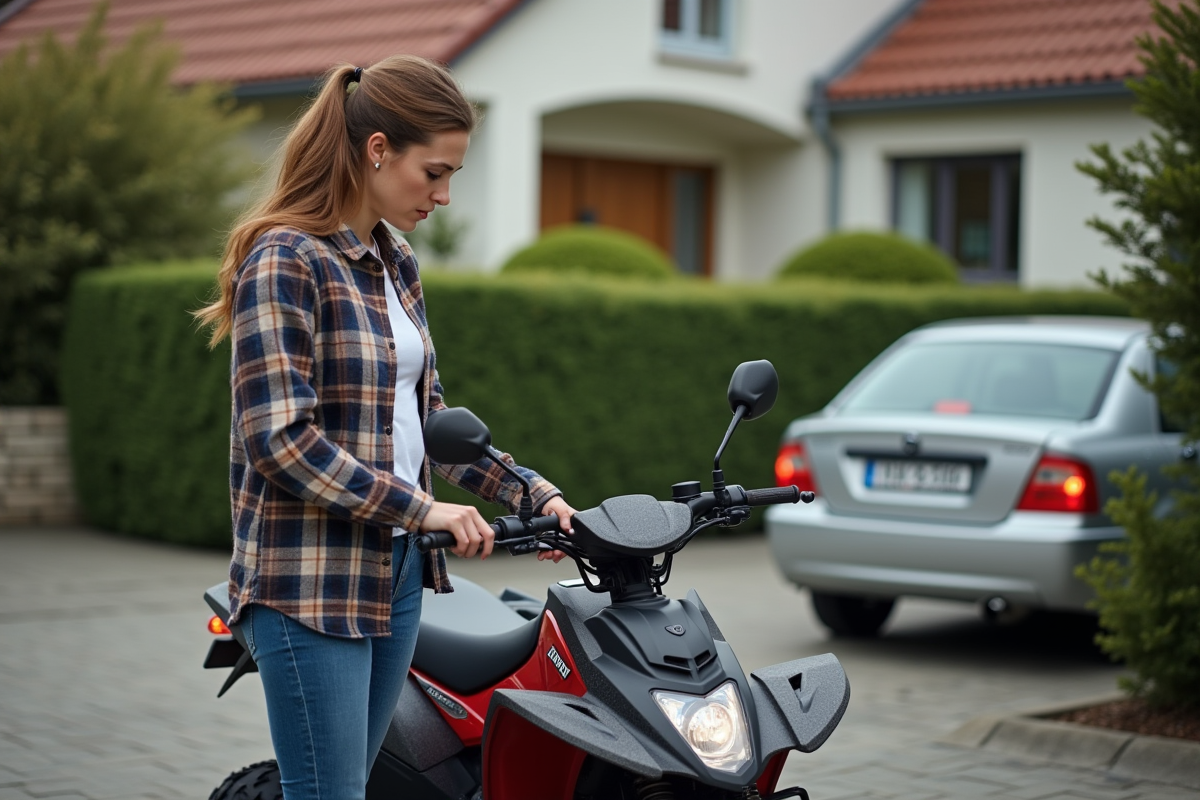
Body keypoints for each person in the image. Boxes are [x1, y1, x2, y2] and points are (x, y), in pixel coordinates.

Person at [194, 55, 574, 799]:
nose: (445, 195)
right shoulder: (285, 259)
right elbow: (281, 441)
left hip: (396, 572)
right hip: (308, 583)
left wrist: (533, 495)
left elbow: (430, 420)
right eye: (433, 173)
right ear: (377, 151)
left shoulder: (394, 263)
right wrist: (425, 508)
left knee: (355, 788)